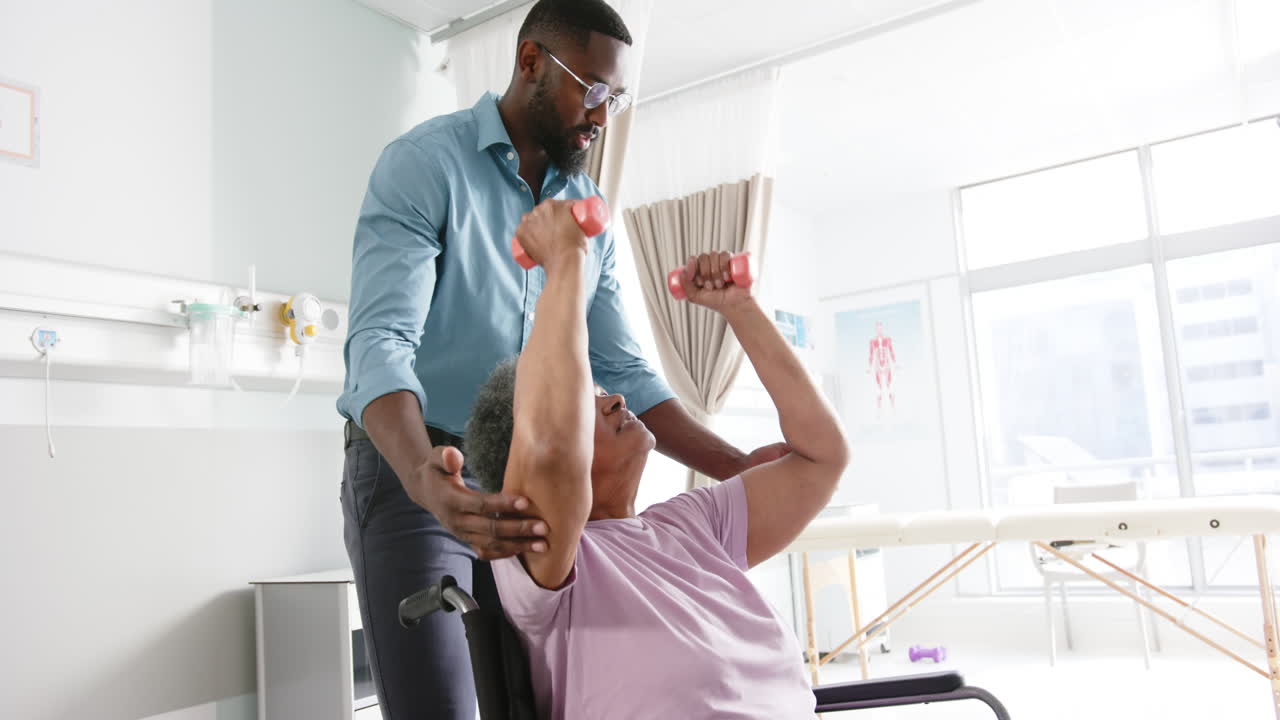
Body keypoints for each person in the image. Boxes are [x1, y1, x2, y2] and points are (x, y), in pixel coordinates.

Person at [336, 2, 786, 718]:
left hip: (531, 470)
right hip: (416, 462)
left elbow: (625, 370)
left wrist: (735, 466)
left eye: (616, 98)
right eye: (593, 89)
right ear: (530, 63)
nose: (602, 116)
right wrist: (425, 479)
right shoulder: (426, 164)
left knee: (537, 697)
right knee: (441, 701)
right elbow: (380, 344)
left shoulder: (586, 209)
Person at [464, 200, 851, 719]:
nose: (615, 401)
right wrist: (565, 261)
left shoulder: (695, 523)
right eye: (588, 403)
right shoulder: (537, 562)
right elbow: (551, 445)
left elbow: (822, 456)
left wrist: (741, 309)